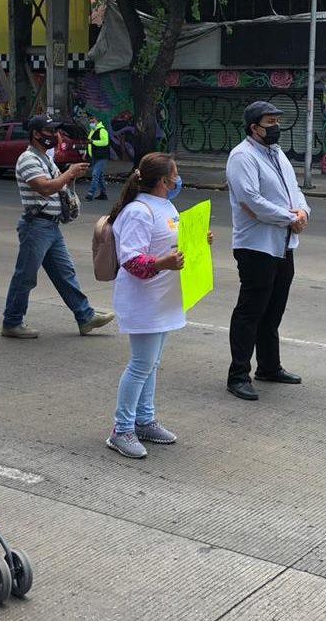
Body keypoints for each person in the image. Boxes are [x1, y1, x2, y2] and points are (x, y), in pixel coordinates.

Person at [104, 153, 212, 458]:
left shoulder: (165, 206)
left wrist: (198, 239)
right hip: (144, 300)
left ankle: (145, 420)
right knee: (140, 365)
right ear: (164, 181)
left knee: (151, 364)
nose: (179, 178)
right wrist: (163, 263)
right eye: (175, 174)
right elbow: (132, 261)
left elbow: (170, 242)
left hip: (164, 299)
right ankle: (121, 429)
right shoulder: (138, 211)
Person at [225, 101, 311, 400]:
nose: (275, 127)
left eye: (277, 121)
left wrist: (302, 213)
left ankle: (269, 366)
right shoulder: (242, 157)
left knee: (274, 309)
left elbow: (294, 189)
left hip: (283, 244)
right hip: (255, 246)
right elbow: (251, 200)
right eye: (270, 122)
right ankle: (238, 374)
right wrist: (290, 217)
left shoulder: (276, 154)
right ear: (254, 127)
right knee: (251, 310)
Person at [2, 116, 114, 339]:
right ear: (36, 134)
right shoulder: (27, 159)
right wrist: (69, 173)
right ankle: (12, 322)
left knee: (65, 273)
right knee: (25, 276)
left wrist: (70, 179)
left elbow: (58, 185)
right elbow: (44, 188)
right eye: (50, 131)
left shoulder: (45, 158)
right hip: (37, 226)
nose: (55, 135)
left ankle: (85, 317)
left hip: (50, 227)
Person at [86, 114, 111, 201]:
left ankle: (90, 193)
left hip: (101, 156)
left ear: (97, 122)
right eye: (90, 122)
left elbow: (105, 142)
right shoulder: (93, 131)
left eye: (93, 122)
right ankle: (103, 194)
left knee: (95, 174)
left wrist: (93, 141)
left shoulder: (102, 130)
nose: (91, 124)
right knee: (100, 176)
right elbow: (89, 144)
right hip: (95, 156)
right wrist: (87, 153)